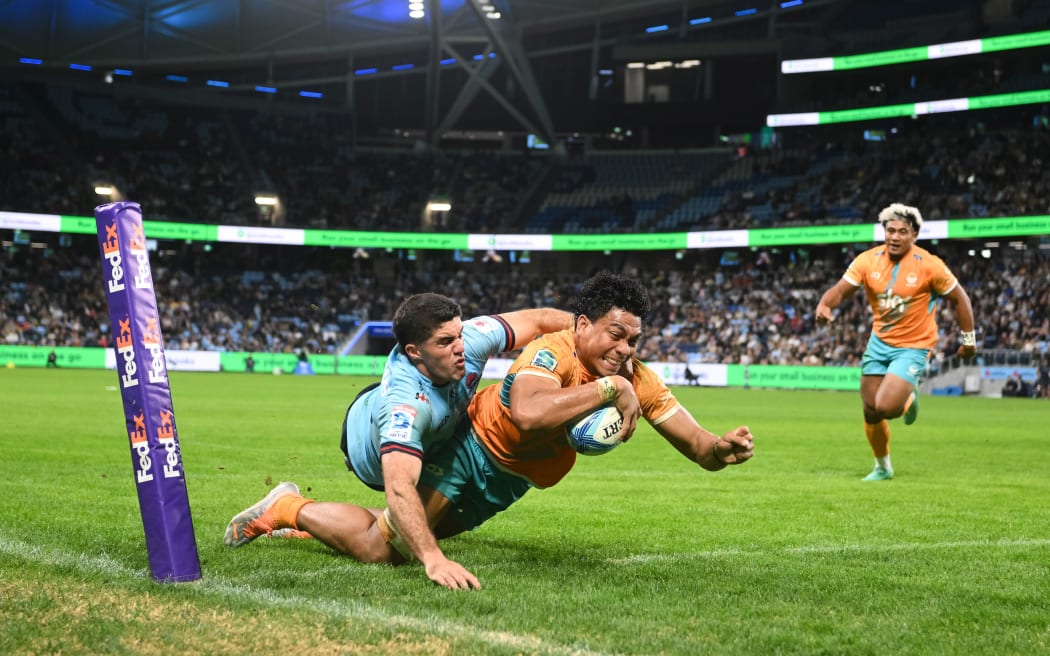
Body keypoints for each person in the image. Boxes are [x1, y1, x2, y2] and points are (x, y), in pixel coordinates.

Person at [226, 272, 755, 590]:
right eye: (615, 334)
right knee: (382, 548)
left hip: (506, 480)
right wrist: (608, 391)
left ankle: (307, 521)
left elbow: (698, 446)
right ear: (584, 327)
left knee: (397, 536)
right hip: (445, 445)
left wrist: (721, 449)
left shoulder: (634, 375)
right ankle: (286, 509)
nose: (626, 350)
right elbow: (527, 412)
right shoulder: (554, 353)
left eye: (634, 340)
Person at [225, 292, 574, 588]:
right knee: (384, 549)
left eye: (458, 335)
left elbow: (542, 319)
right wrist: (433, 560)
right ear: (415, 351)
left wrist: (597, 339)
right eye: (445, 342)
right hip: (369, 448)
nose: (460, 349)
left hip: (439, 432)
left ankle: (325, 527)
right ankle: (287, 507)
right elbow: (399, 487)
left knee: (437, 522)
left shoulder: (471, 338)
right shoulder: (404, 409)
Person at [815, 203, 977, 481]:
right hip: (879, 343)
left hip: (915, 344)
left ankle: (908, 397)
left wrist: (969, 340)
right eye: (890, 230)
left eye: (902, 231)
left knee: (887, 407)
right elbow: (840, 291)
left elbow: (961, 299)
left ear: (914, 235)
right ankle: (883, 467)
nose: (895, 236)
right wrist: (825, 305)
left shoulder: (930, 265)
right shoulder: (867, 260)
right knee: (870, 410)